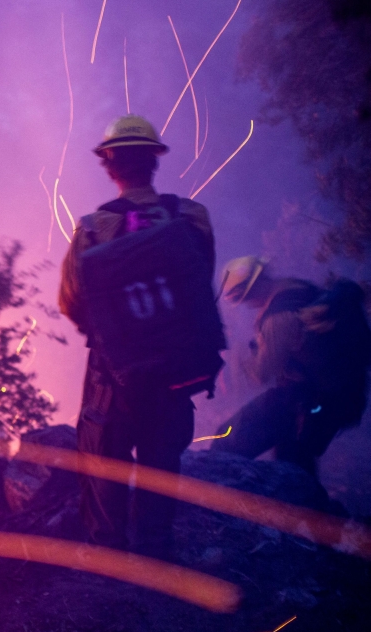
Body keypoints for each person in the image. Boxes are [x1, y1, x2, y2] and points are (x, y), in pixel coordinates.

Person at [59, 115, 220, 559]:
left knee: (102, 459)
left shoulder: (93, 229)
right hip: (176, 367)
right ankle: (154, 551)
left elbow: (71, 300)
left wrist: (114, 333)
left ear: (108, 166)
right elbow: (198, 281)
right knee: (161, 460)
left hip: (112, 376)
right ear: (154, 162)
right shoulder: (191, 218)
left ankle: (108, 558)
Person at [211, 257, 371, 476]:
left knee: (228, 441)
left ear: (251, 289)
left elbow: (261, 373)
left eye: (241, 297)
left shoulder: (278, 317)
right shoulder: (297, 287)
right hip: (341, 396)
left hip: (307, 399)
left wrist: (242, 359)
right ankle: (306, 504)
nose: (245, 303)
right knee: (293, 459)